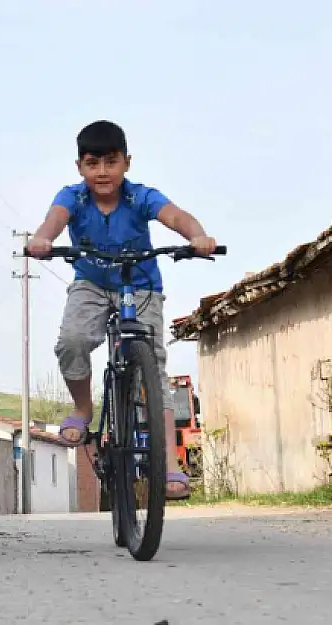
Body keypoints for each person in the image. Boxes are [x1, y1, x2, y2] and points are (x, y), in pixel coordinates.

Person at [26, 120, 217, 500]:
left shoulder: (140, 197)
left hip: (141, 286)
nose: (102, 172)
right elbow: (54, 221)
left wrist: (196, 236)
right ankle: (83, 408)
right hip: (91, 283)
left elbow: (176, 215)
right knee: (72, 341)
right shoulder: (73, 197)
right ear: (79, 167)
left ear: (126, 163)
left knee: (154, 373)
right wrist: (43, 239)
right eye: (93, 163)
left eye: (111, 162)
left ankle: (168, 465)